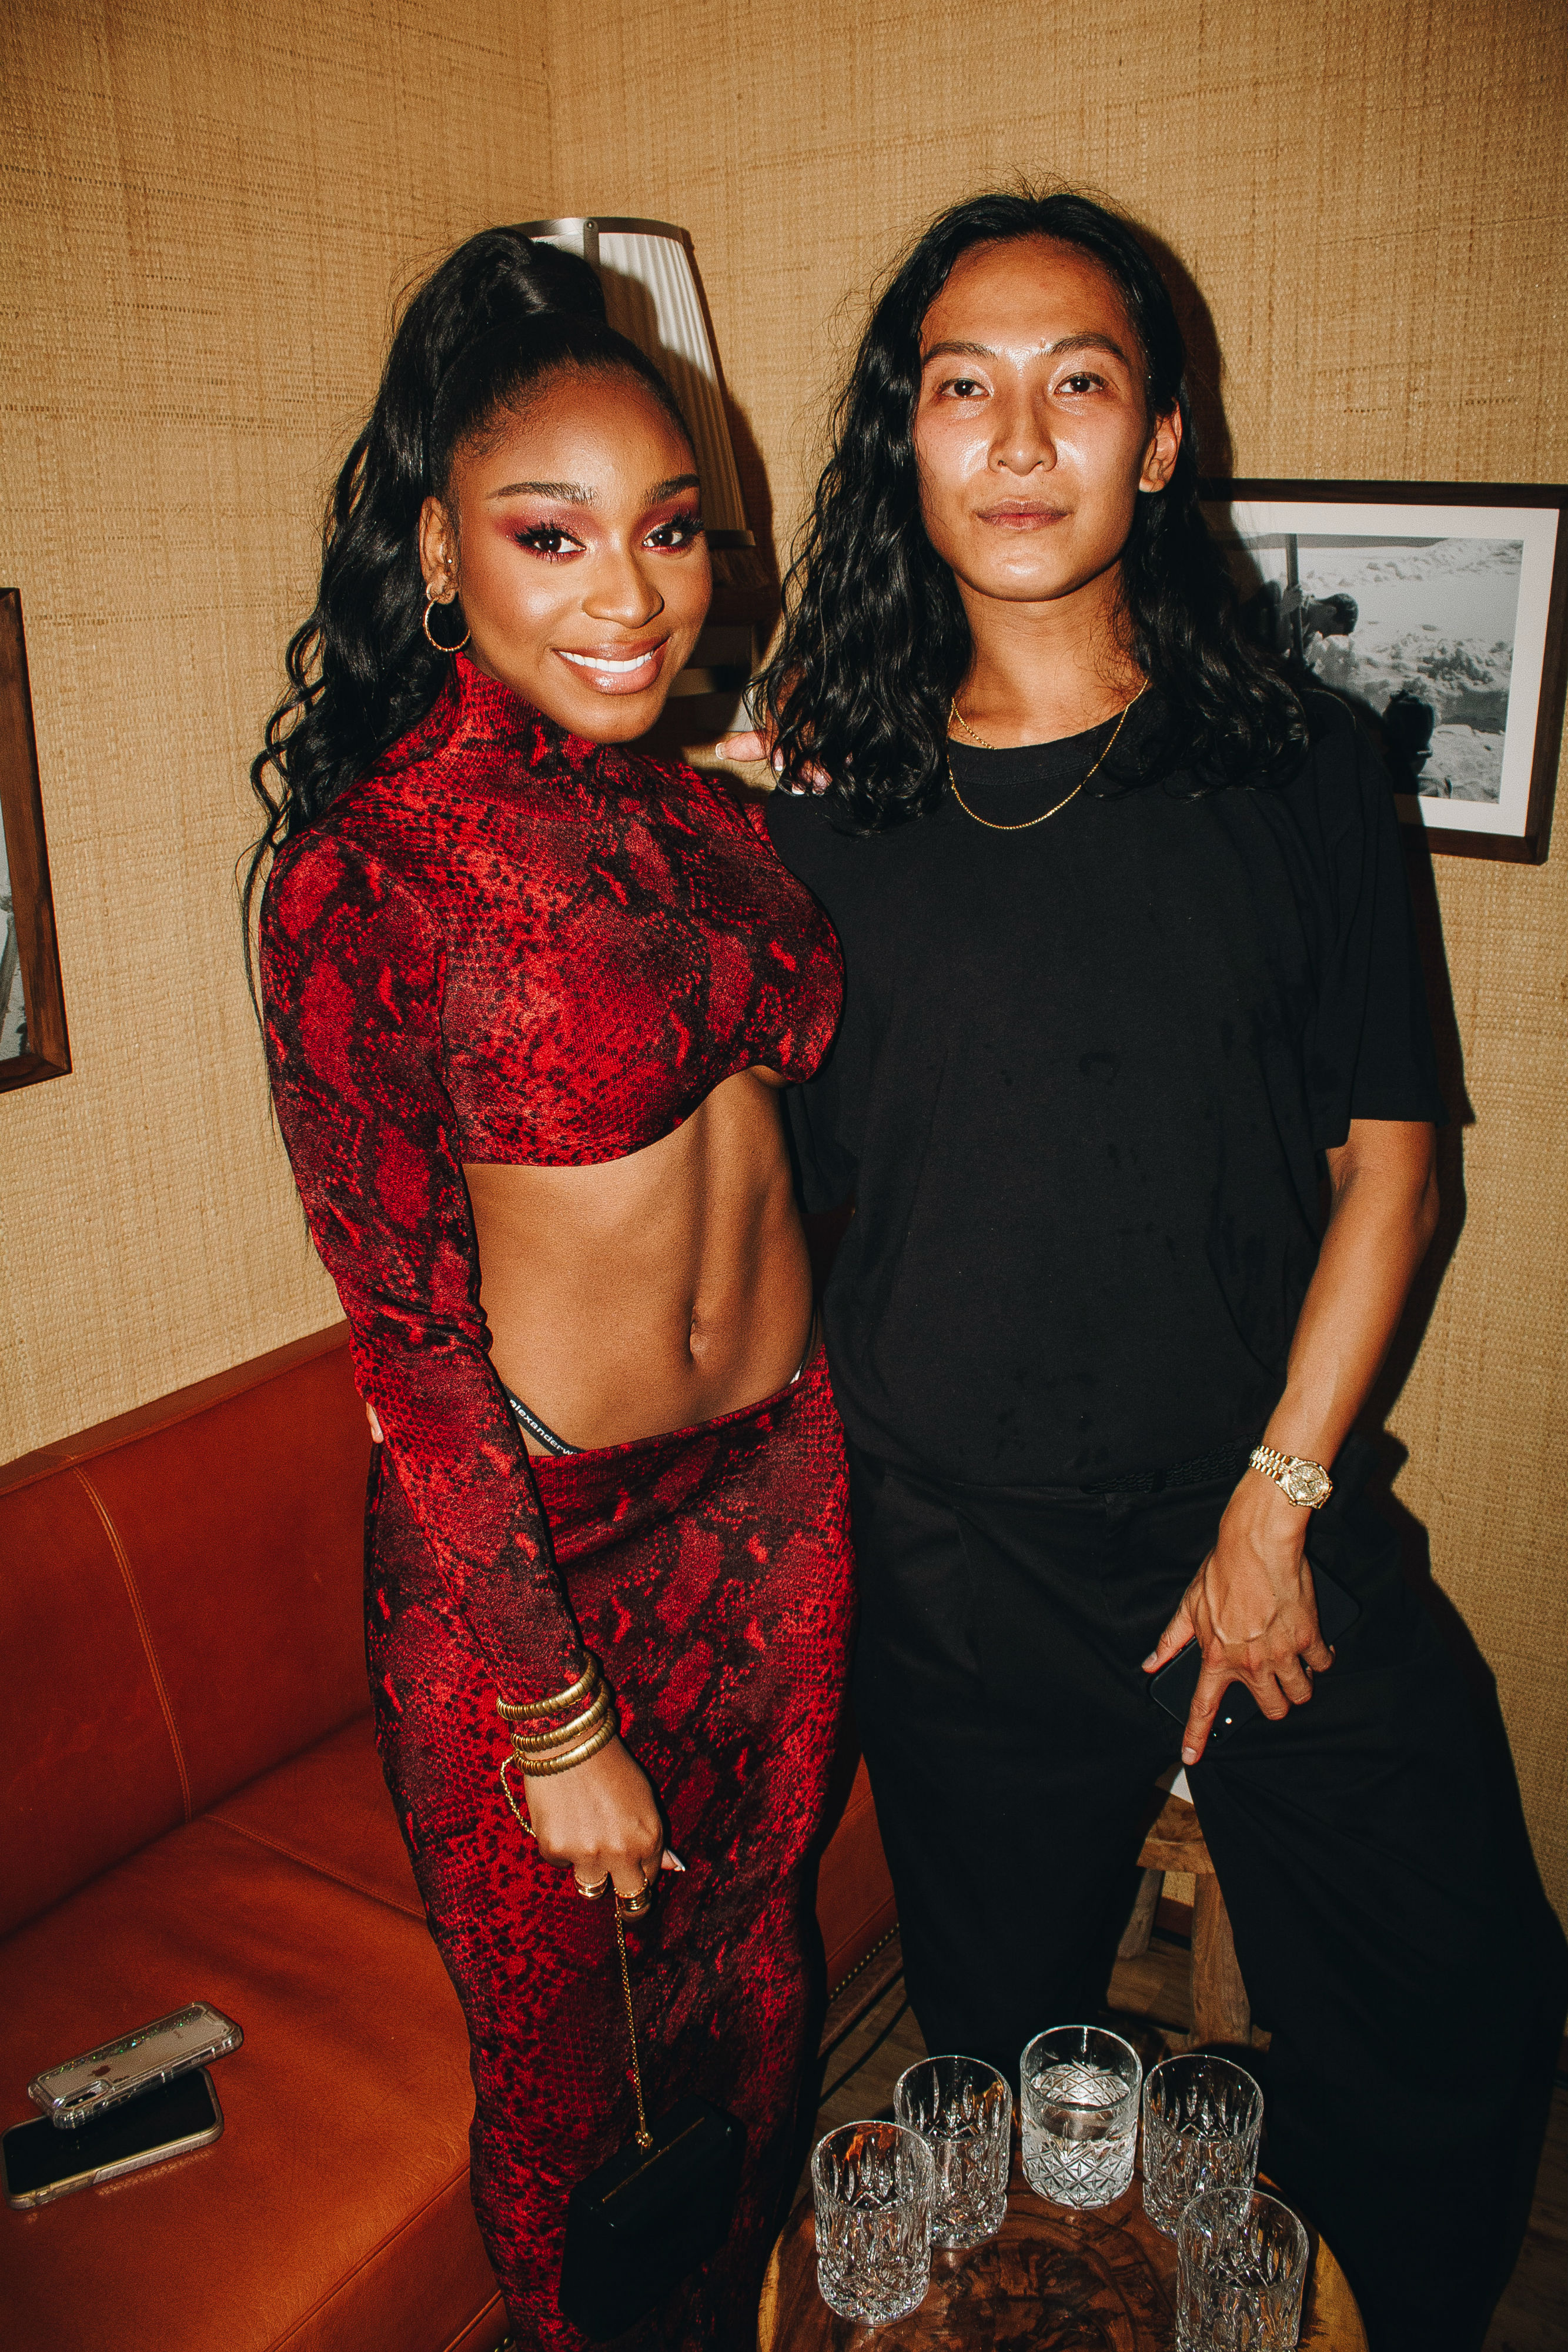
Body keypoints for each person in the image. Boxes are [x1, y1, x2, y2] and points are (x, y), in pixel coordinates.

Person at [723, 189, 1566, 2352]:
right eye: (961, 389)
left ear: (1160, 437)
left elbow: (1395, 1171)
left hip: (1256, 1502)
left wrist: (1275, 1507)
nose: (1017, 440)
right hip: (955, 1558)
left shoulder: (1303, 767)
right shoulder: (808, 811)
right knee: (1001, 2068)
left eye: (1076, 383)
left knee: (1459, 1980)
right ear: (903, 440)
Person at [248, 228, 854, 2349]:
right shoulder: (366, 874)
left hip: (774, 1495)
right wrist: (552, 1715)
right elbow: (408, 1344)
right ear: (441, 551)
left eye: (669, 530)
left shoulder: (706, 812)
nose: (631, 593)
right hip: (543, 1558)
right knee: (568, 2085)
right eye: (552, 533)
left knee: (754, 1991)